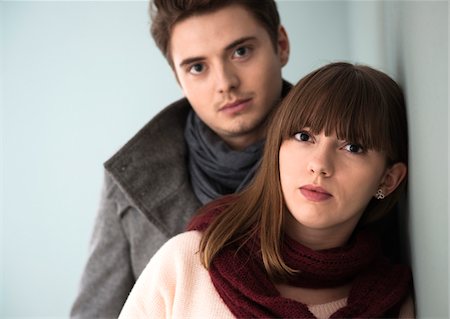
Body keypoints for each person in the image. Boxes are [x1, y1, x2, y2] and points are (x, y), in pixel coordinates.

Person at [118, 62, 415, 318]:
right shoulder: (187, 262)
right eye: (303, 136)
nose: (319, 164)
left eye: (353, 147)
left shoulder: (389, 303)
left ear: (388, 180)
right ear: (277, 148)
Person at [70, 0, 291, 318]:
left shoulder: (342, 155)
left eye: (240, 51)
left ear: (280, 46)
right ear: (178, 78)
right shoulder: (130, 180)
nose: (225, 83)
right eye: (198, 67)